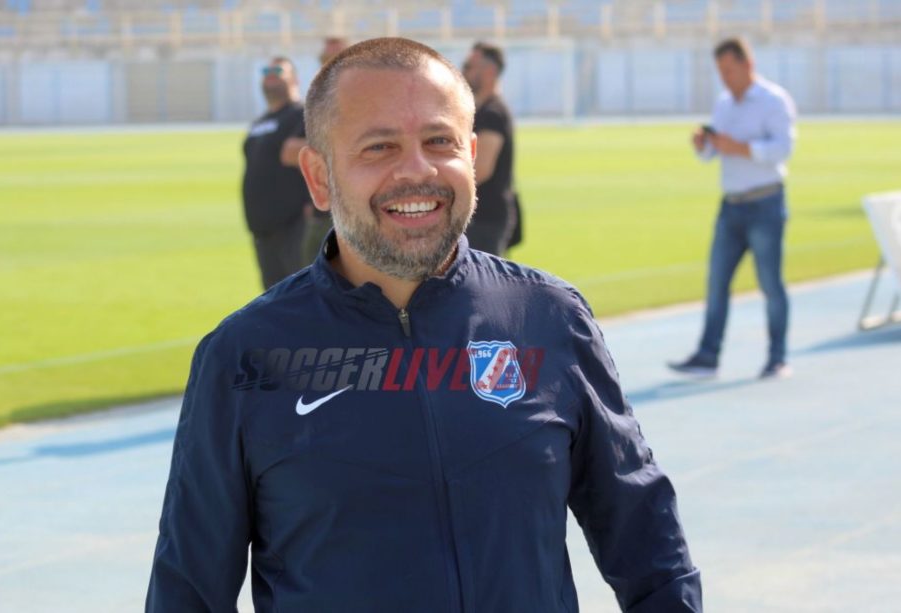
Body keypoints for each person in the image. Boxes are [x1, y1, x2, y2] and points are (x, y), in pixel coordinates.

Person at [147, 38, 702, 612]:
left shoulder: (550, 319)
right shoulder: (245, 356)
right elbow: (188, 592)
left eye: (440, 141)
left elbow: (649, 544)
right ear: (318, 177)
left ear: (471, 156)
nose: (417, 170)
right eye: (379, 146)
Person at [669, 37, 797, 380]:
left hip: (765, 203)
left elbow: (783, 148)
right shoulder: (724, 103)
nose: (725, 77)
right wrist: (704, 145)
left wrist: (740, 147)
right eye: (720, 71)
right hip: (731, 206)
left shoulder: (773, 99)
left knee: (770, 284)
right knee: (716, 284)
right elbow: (715, 152)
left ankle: (778, 358)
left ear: (747, 64)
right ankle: (707, 356)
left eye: (729, 70)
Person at [242, 56, 314, 290]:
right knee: (274, 299)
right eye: (266, 71)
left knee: (303, 295)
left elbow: (318, 157)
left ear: (294, 79)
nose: (270, 75)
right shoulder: (259, 122)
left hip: (294, 225)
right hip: (263, 228)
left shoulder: (303, 114)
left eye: (277, 71)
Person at [281, 36, 351, 267]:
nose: (331, 65)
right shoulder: (319, 104)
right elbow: (289, 152)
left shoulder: (371, 101)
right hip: (322, 217)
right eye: (326, 60)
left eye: (338, 59)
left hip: (358, 216)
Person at [462, 41, 520, 255]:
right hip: (480, 218)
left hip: (486, 219)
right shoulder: (482, 110)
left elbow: (481, 169)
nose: (463, 72)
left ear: (490, 71)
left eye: (468, 66)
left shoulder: (493, 114)